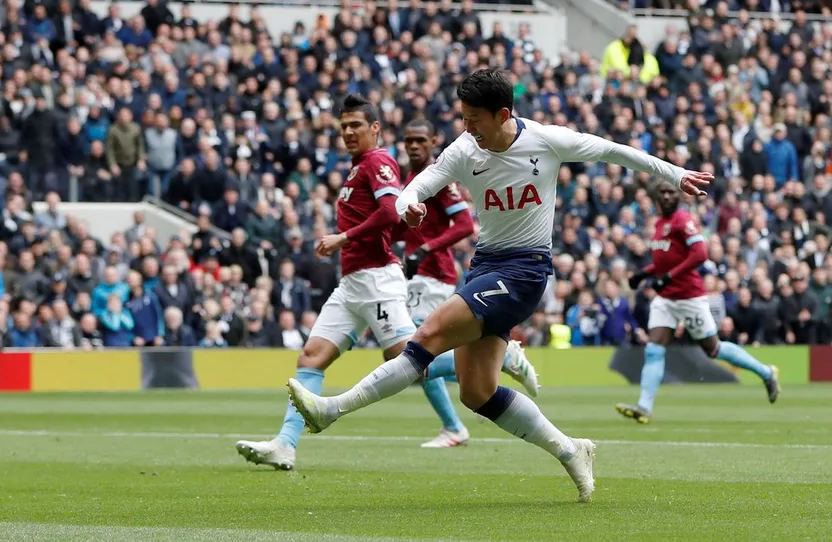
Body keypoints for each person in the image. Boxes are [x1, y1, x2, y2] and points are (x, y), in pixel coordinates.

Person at [286, 68, 713, 503]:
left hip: (526, 270)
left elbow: (613, 151)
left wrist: (674, 174)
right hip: (486, 266)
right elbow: (418, 185)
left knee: (428, 334)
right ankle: (572, 450)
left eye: (474, 119)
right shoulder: (465, 148)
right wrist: (409, 205)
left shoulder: (546, 140)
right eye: (463, 119)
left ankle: (331, 410)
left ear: (503, 113)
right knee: (477, 393)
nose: (467, 128)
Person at [235, 94, 465, 470]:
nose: (348, 132)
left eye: (356, 125)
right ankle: (285, 445)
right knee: (312, 357)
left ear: (375, 128)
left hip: (376, 278)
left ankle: (498, 356)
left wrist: (343, 237)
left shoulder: (378, 161)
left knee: (404, 361)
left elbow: (390, 211)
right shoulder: (358, 166)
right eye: (343, 126)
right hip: (352, 283)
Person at [399, 119, 540, 449]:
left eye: (420, 140)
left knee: (414, 355)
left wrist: (425, 248)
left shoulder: (441, 181)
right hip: (418, 277)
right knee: (415, 357)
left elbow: (464, 225)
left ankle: (456, 423)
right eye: (408, 141)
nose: (414, 146)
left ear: (434, 141)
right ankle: (455, 423)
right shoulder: (410, 181)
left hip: (435, 275)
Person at [616, 181, 780, 424]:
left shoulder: (684, 220)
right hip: (666, 298)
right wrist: (645, 273)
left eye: (672, 192)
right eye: (663, 193)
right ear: (657, 198)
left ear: (679, 197)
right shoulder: (660, 224)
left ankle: (766, 372)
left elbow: (700, 254)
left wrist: (668, 277)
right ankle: (644, 407)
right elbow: (665, 261)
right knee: (654, 349)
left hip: (689, 297)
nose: (668, 196)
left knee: (713, 349)